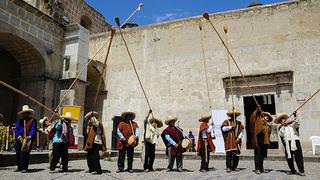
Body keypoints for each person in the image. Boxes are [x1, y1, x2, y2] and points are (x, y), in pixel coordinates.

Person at [275, 111, 305, 176]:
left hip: (295, 141)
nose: (282, 121)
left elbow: (297, 123)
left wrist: (295, 116)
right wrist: (283, 126)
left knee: (298, 156)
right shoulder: (281, 128)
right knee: (289, 157)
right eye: (280, 120)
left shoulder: (292, 125)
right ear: (280, 122)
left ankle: (301, 170)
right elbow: (281, 135)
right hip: (287, 143)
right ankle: (292, 170)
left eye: (283, 119)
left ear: (285, 119)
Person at [250, 107, 273, 175]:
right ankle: (257, 168)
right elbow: (252, 119)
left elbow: (269, 133)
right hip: (258, 141)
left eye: (267, 118)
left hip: (264, 142)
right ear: (262, 117)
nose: (266, 118)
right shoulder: (257, 123)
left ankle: (261, 168)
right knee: (257, 155)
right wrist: (256, 111)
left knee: (262, 156)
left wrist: (266, 126)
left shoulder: (268, 126)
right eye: (265, 117)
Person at [14, 105, 37, 173]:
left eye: (26, 113)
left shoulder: (33, 121)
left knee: (25, 153)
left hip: (27, 139)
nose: (24, 114)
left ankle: (24, 167)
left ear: (28, 113)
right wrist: (19, 136)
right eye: (23, 113)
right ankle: (19, 167)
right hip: (19, 139)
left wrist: (29, 137)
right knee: (18, 153)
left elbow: (33, 129)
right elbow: (16, 129)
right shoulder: (20, 121)